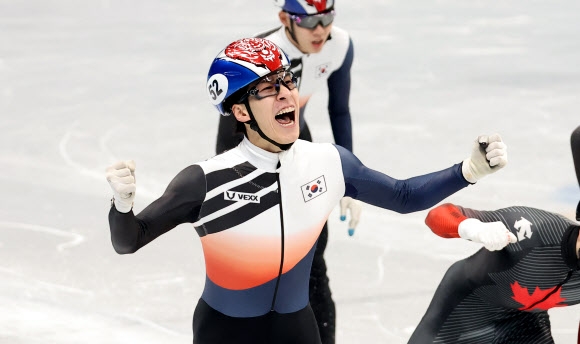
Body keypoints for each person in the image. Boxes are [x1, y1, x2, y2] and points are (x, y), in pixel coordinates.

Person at [106, 37, 508, 344]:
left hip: (297, 328)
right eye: (267, 88)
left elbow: (404, 197)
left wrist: (467, 170)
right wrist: (122, 207)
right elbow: (129, 241)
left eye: (286, 80)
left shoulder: (329, 162)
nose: (285, 93)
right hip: (224, 332)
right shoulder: (206, 180)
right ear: (241, 112)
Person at [215, 2, 357, 341]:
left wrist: (349, 178)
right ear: (284, 19)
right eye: (310, 22)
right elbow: (229, 135)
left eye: (327, 19)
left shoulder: (340, 45)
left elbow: (339, 110)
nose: (321, 30)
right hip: (253, 151)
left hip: (296, 145)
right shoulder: (254, 57)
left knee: (312, 267)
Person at [408, 127, 580, 343]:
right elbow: (436, 215)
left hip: (525, 328)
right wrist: (474, 228)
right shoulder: (533, 231)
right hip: (461, 318)